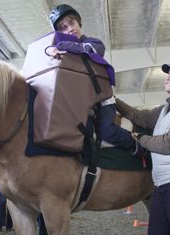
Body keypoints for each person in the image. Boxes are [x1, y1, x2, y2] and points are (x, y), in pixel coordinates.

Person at [115, 60, 170, 235]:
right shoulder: (167, 108)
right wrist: (114, 100)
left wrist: (138, 138)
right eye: (168, 74)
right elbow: (138, 116)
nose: (168, 77)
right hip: (162, 183)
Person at [48, 4, 137, 153]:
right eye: (63, 28)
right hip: (81, 102)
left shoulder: (94, 43)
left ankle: (140, 148)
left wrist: (60, 45)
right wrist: (49, 49)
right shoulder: (63, 52)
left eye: (72, 23)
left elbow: (88, 50)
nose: (69, 29)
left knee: (106, 131)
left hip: (103, 101)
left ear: (79, 23)